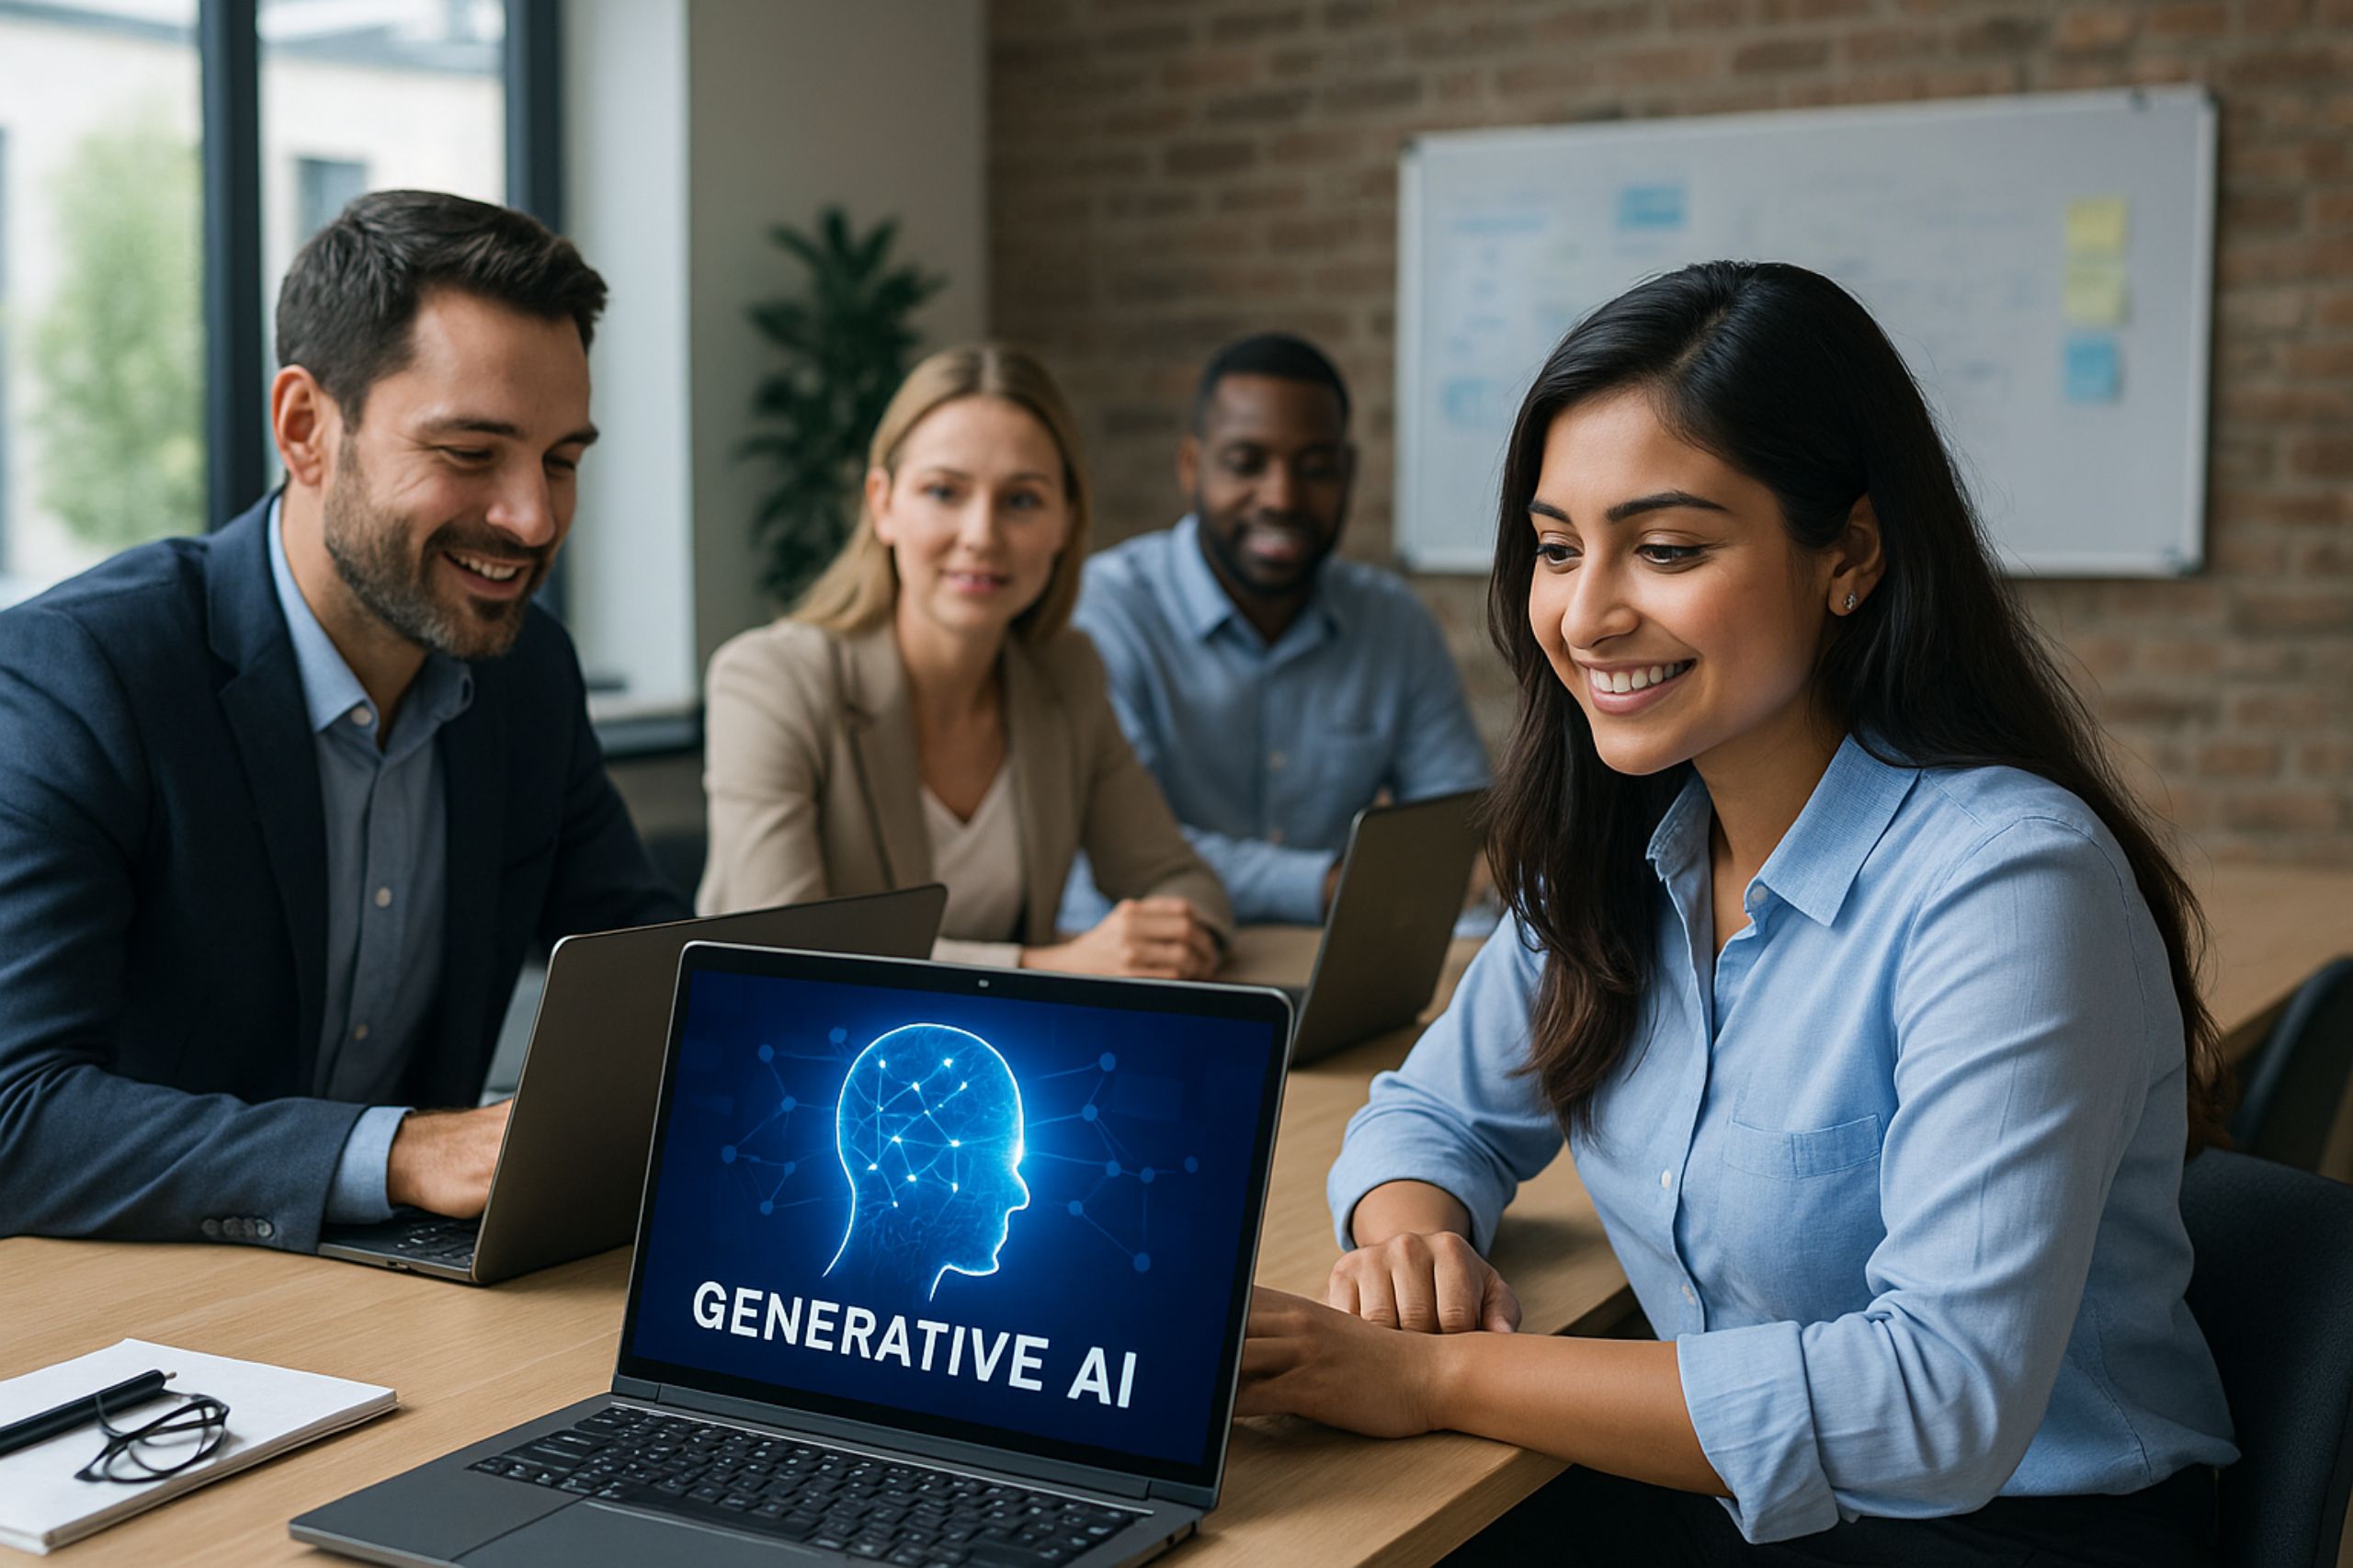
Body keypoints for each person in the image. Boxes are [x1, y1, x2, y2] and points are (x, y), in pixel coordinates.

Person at [1237, 262, 2236, 1565]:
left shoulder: (2006, 882)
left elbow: (1939, 1406)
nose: (1586, 613)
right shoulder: (1618, 846)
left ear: (1851, 557)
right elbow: (1426, 1115)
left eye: (1666, 548)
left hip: (2022, 1529)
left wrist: (1428, 1378)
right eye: (1555, 546)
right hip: (1744, 1504)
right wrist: (1411, 1233)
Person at [0, 190, 687, 1253]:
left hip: (406, 1293)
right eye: (471, 452)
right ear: (306, 428)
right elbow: (17, 1116)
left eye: (561, 459)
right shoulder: (81, 676)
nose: (533, 518)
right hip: (134, 1324)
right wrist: (406, 1150)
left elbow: (653, 973)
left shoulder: (523, 674)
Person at [698, 343, 1229, 977]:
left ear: (1066, 522)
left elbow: (1178, 879)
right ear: (882, 504)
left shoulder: (1066, 674)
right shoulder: (771, 681)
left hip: (1007, 1067)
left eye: (1022, 500)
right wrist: (1046, 965)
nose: (981, 534)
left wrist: (1159, 938)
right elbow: (779, 958)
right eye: (944, 492)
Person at [1060, 333, 1488, 929]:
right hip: (1146, 964)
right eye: (1246, 464)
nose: (1283, 497)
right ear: (1192, 466)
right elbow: (1128, 850)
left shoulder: (1394, 624)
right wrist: (1330, 887)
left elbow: (1455, 838)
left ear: (1349, 472)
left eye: (1315, 468)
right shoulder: (1104, 612)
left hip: (1331, 969)